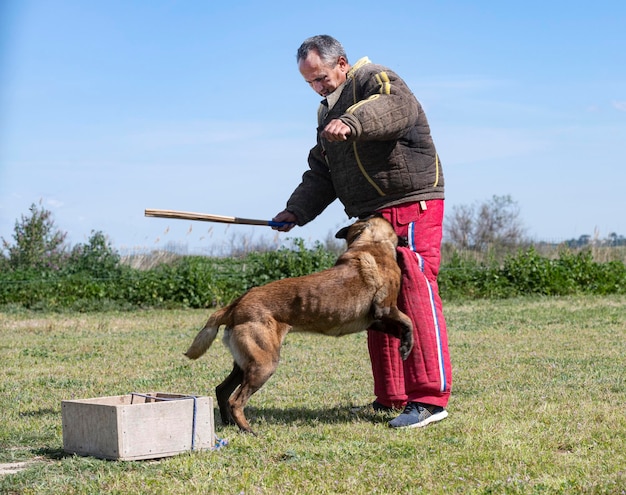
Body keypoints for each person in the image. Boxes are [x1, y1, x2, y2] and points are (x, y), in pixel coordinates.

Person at [272, 35, 452, 428]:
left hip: (409, 202)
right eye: (310, 83)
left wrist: (351, 122)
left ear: (342, 63)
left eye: (321, 77)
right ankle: (392, 398)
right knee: (376, 299)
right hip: (369, 215)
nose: (318, 88)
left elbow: (395, 108)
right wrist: (296, 210)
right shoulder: (325, 115)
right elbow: (322, 171)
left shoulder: (375, 78)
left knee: (415, 287)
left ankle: (430, 400)